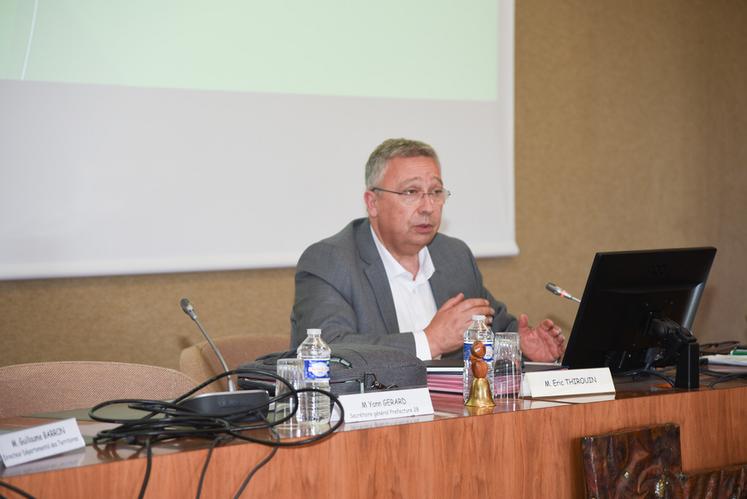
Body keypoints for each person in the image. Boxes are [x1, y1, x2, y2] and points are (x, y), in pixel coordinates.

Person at [290, 138, 564, 362]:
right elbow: (325, 353)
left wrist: (523, 348)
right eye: (411, 192)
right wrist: (429, 341)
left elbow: (497, 329)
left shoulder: (454, 257)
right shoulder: (330, 262)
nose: (428, 207)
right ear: (372, 202)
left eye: (435, 192)